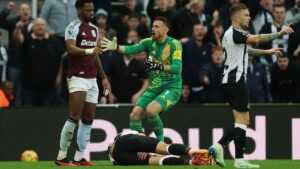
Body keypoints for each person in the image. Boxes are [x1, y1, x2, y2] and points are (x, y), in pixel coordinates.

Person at [208, 3, 294, 168]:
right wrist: (280, 33)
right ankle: (229, 154)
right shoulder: (235, 32)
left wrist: (266, 52)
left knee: (241, 121)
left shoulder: (230, 34)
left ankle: (224, 150)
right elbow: (257, 39)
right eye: (246, 15)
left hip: (230, 80)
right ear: (236, 17)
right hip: (236, 79)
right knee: (243, 120)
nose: (249, 17)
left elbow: (246, 51)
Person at [102, 17, 182, 142]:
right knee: (134, 116)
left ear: (166, 29)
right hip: (154, 88)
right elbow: (131, 49)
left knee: (151, 110)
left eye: (157, 26)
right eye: (153, 26)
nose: (153, 29)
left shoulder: (175, 44)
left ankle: (161, 145)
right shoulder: (148, 42)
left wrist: (158, 66)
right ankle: (141, 146)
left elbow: (177, 68)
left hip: (171, 88)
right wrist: (117, 47)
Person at [55, 0, 111, 166]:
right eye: (88, 10)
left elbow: (95, 55)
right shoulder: (72, 27)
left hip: (92, 78)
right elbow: (70, 49)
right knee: (74, 117)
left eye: (92, 10)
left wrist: (104, 78)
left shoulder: (94, 29)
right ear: (79, 10)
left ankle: (79, 157)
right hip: (77, 77)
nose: (92, 13)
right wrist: (89, 50)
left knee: (88, 119)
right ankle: (61, 156)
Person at [13, 18, 65, 106]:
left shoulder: (55, 41)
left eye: (42, 25)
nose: (40, 27)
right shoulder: (27, 39)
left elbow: (62, 59)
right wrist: (17, 28)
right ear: (33, 28)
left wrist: (59, 75)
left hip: (49, 87)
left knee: (48, 114)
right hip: (28, 87)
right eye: (37, 25)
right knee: (28, 114)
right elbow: (17, 38)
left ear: (46, 27)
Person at [108, 130, 216, 166]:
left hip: (118, 158)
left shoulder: (115, 142)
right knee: (165, 148)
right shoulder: (129, 134)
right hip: (123, 142)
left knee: (157, 161)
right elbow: (140, 137)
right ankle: (192, 151)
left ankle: (191, 162)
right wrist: (144, 149)